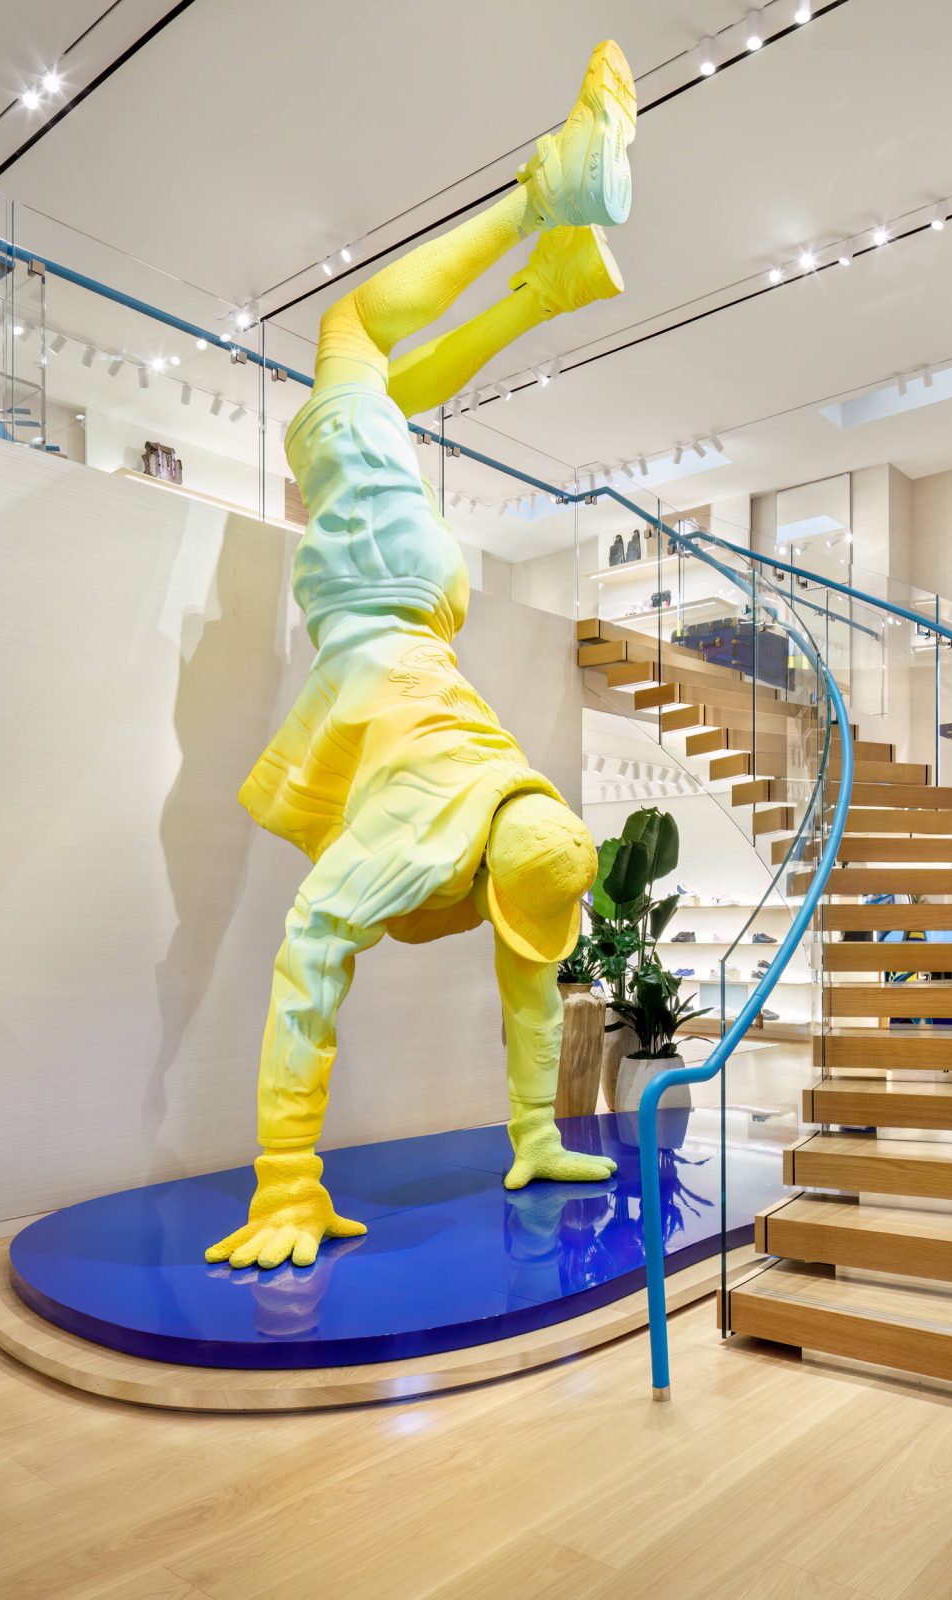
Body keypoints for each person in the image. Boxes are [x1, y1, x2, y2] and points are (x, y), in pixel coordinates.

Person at [206, 41, 637, 1272]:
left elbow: (336, 959)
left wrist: (295, 1183)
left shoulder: (492, 794)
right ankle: (544, 201)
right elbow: (361, 961)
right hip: (387, 596)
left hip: (411, 605)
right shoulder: (487, 823)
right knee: (347, 341)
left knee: (365, 362)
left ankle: (550, 257)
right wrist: (286, 1176)